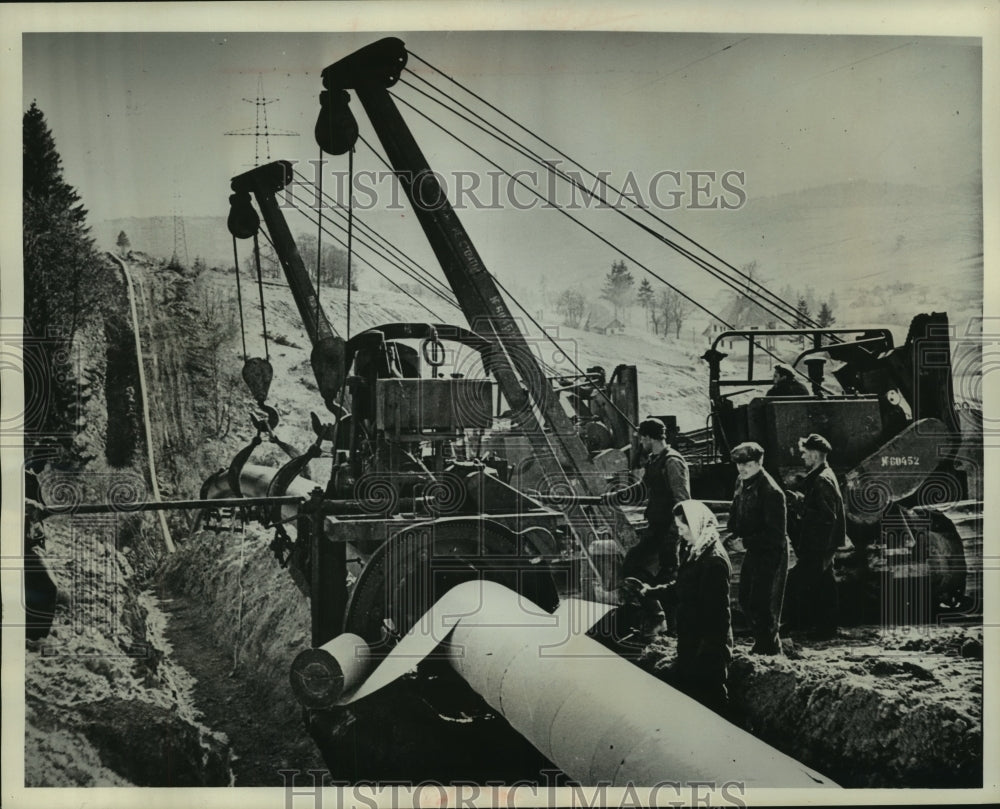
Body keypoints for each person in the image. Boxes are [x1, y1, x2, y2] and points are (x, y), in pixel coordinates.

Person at [601, 418, 690, 589]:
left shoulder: (672, 462)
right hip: (657, 527)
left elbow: (683, 500)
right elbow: (642, 488)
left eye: (642, 438)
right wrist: (615, 497)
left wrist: (676, 532)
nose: (641, 442)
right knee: (632, 564)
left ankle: (666, 612)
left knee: (668, 574)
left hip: (670, 529)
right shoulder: (655, 460)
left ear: (649, 438)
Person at [727, 441, 788, 655]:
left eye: (748, 464)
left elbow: (775, 534)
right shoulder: (742, 482)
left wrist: (745, 543)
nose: (742, 469)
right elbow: (736, 510)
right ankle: (765, 644)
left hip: (771, 552)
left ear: (759, 463)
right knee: (745, 598)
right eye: (739, 464)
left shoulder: (771, 492)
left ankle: (770, 649)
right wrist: (732, 531)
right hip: (755, 550)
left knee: (763, 603)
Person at [785, 433, 845, 638]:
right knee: (825, 584)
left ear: (815, 454)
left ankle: (797, 624)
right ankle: (825, 629)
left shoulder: (821, 480)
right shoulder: (824, 476)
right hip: (823, 543)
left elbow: (827, 517)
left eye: (804, 453)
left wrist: (798, 503)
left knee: (795, 582)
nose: (802, 457)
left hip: (819, 544)